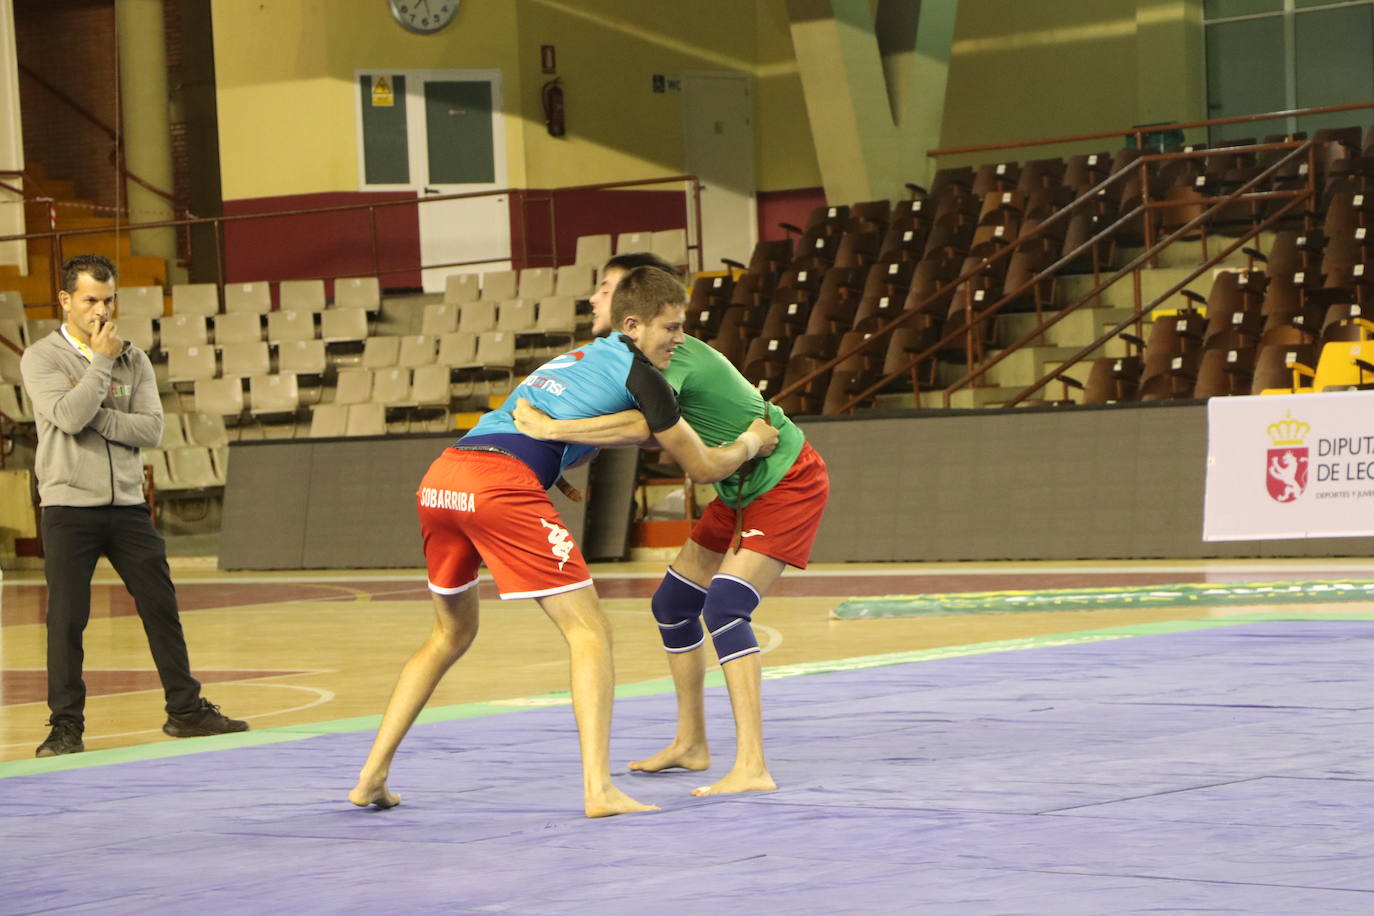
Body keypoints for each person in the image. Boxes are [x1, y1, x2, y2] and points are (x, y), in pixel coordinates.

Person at [348, 265, 778, 818]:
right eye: (671, 328)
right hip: (499, 486)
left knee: (449, 633)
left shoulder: (574, 357)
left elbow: (550, 420)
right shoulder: (644, 376)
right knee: (590, 631)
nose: (680, 338)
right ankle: (599, 790)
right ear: (634, 324)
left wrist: (557, 466)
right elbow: (696, 464)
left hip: (443, 479)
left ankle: (371, 776)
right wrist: (750, 441)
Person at [513, 253, 829, 797]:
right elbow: (638, 432)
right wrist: (566, 457)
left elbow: (643, 424)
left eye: (681, 325)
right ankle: (692, 742)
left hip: (784, 480)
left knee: (726, 606)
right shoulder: (625, 356)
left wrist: (554, 428)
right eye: (673, 325)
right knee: (672, 605)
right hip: (737, 486)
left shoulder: (664, 360)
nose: (681, 336)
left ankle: (752, 764)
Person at [20, 254, 248, 758]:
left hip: (126, 507)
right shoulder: (41, 358)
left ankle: (185, 712)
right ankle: (65, 727)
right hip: (67, 507)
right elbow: (64, 414)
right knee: (67, 619)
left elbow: (149, 429)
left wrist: (93, 409)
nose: (101, 309)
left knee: (161, 607)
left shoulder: (136, 359)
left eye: (108, 299)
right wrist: (100, 366)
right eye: (90, 300)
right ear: (65, 300)